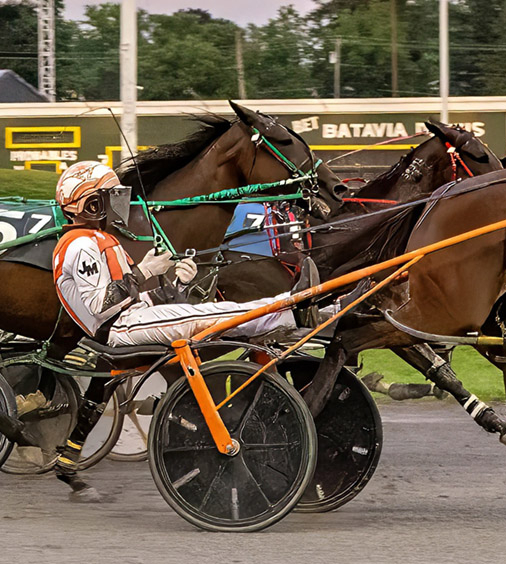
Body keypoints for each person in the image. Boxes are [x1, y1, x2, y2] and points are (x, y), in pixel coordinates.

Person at [2, 161, 319, 500]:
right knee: (211, 316)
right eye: (111, 197)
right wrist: (142, 271)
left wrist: (172, 281)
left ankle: (306, 309)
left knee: (206, 313)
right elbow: (99, 305)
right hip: (118, 332)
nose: (120, 203)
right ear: (92, 205)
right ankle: (290, 309)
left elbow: (140, 299)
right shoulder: (80, 244)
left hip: (131, 319)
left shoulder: (100, 239)